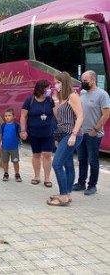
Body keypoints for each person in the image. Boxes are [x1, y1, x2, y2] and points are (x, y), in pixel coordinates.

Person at [47, 72, 83, 206]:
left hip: (72, 134)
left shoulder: (73, 96)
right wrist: (56, 100)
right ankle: (67, 193)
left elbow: (80, 116)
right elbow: (59, 118)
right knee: (68, 165)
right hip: (63, 134)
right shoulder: (63, 97)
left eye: (58, 82)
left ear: (64, 82)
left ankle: (63, 196)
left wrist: (73, 134)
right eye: (55, 82)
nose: (55, 84)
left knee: (56, 164)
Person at [73, 70, 110, 195]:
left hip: (93, 134)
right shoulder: (82, 93)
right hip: (81, 132)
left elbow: (106, 114)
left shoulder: (102, 95)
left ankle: (92, 185)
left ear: (93, 80)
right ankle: (81, 183)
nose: (82, 83)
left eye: (85, 81)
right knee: (82, 159)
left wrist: (95, 130)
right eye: (82, 81)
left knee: (93, 160)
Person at [20, 79, 56, 187]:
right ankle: (36, 176)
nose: (50, 90)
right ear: (41, 89)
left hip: (48, 133)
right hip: (33, 133)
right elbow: (23, 116)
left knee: (47, 154)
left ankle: (47, 178)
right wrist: (23, 130)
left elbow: (57, 115)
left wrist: (56, 101)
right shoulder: (29, 100)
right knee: (36, 155)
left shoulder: (51, 100)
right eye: (48, 88)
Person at [0, 108, 22, 182]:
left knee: (15, 161)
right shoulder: (3, 125)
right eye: (5, 116)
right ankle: (6, 173)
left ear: (14, 116)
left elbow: (21, 134)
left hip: (14, 148)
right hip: (5, 148)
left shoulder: (17, 125)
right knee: (5, 162)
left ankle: (17, 174)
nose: (7, 117)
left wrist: (23, 135)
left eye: (9, 115)